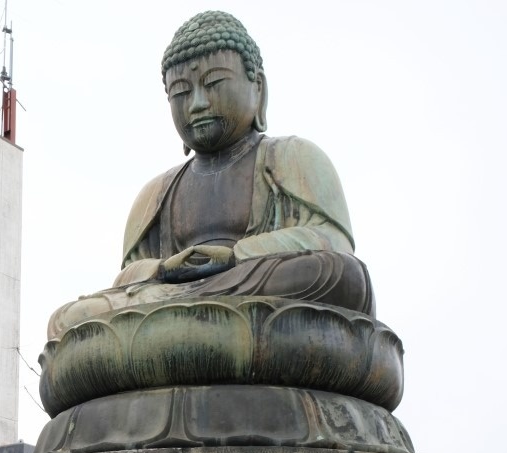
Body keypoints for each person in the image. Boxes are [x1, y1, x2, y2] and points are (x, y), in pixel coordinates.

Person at [47, 10, 375, 340]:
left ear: (258, 87)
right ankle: (188, 318)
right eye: (181, 92)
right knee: (68, 320)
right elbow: (127, 278)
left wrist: (235, 256)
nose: (197, 104)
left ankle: (182, 322)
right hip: (172, 295)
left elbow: (333, 242)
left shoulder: (292, 156)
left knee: (342, 274)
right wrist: (164, 268)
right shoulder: (156, 192)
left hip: (255, 285)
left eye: (214, 84)